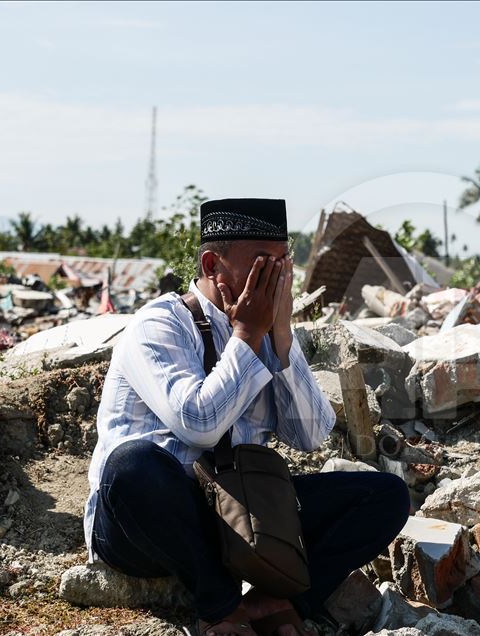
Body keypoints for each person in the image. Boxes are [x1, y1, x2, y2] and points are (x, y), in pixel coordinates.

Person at [83, 198, 411, 636]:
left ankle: (278, 602)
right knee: (132, 466)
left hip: (237, 513)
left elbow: (311, 434)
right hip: (149, 520)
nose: (273, 278)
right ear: (212, 264)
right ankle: (219, 605)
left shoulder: (269, 329)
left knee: (385, 495)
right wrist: (246, 336)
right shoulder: (160, 323)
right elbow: (199, 424)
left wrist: (279, 336)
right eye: (261, 265)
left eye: (281, 265)